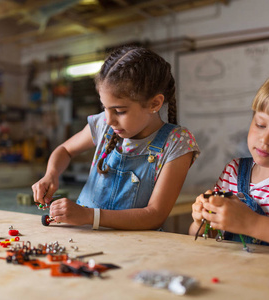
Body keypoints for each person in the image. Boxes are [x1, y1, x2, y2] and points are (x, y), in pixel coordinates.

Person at [32, 46, 200, 230]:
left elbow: (154, 216)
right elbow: (64, 150)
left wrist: (89, 215)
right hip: (83, 236)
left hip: (134, 246)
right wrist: (51, 174)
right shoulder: (103, 124)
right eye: (105, 108)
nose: (109, 119)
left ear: (155, 103)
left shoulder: (177, 142)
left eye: (119, 111)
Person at [189, 69, 269, 260]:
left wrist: (252, 224)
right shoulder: (233, 172)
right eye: (260, 124)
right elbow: (202, 240)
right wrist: (202, 221)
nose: (265, 140)